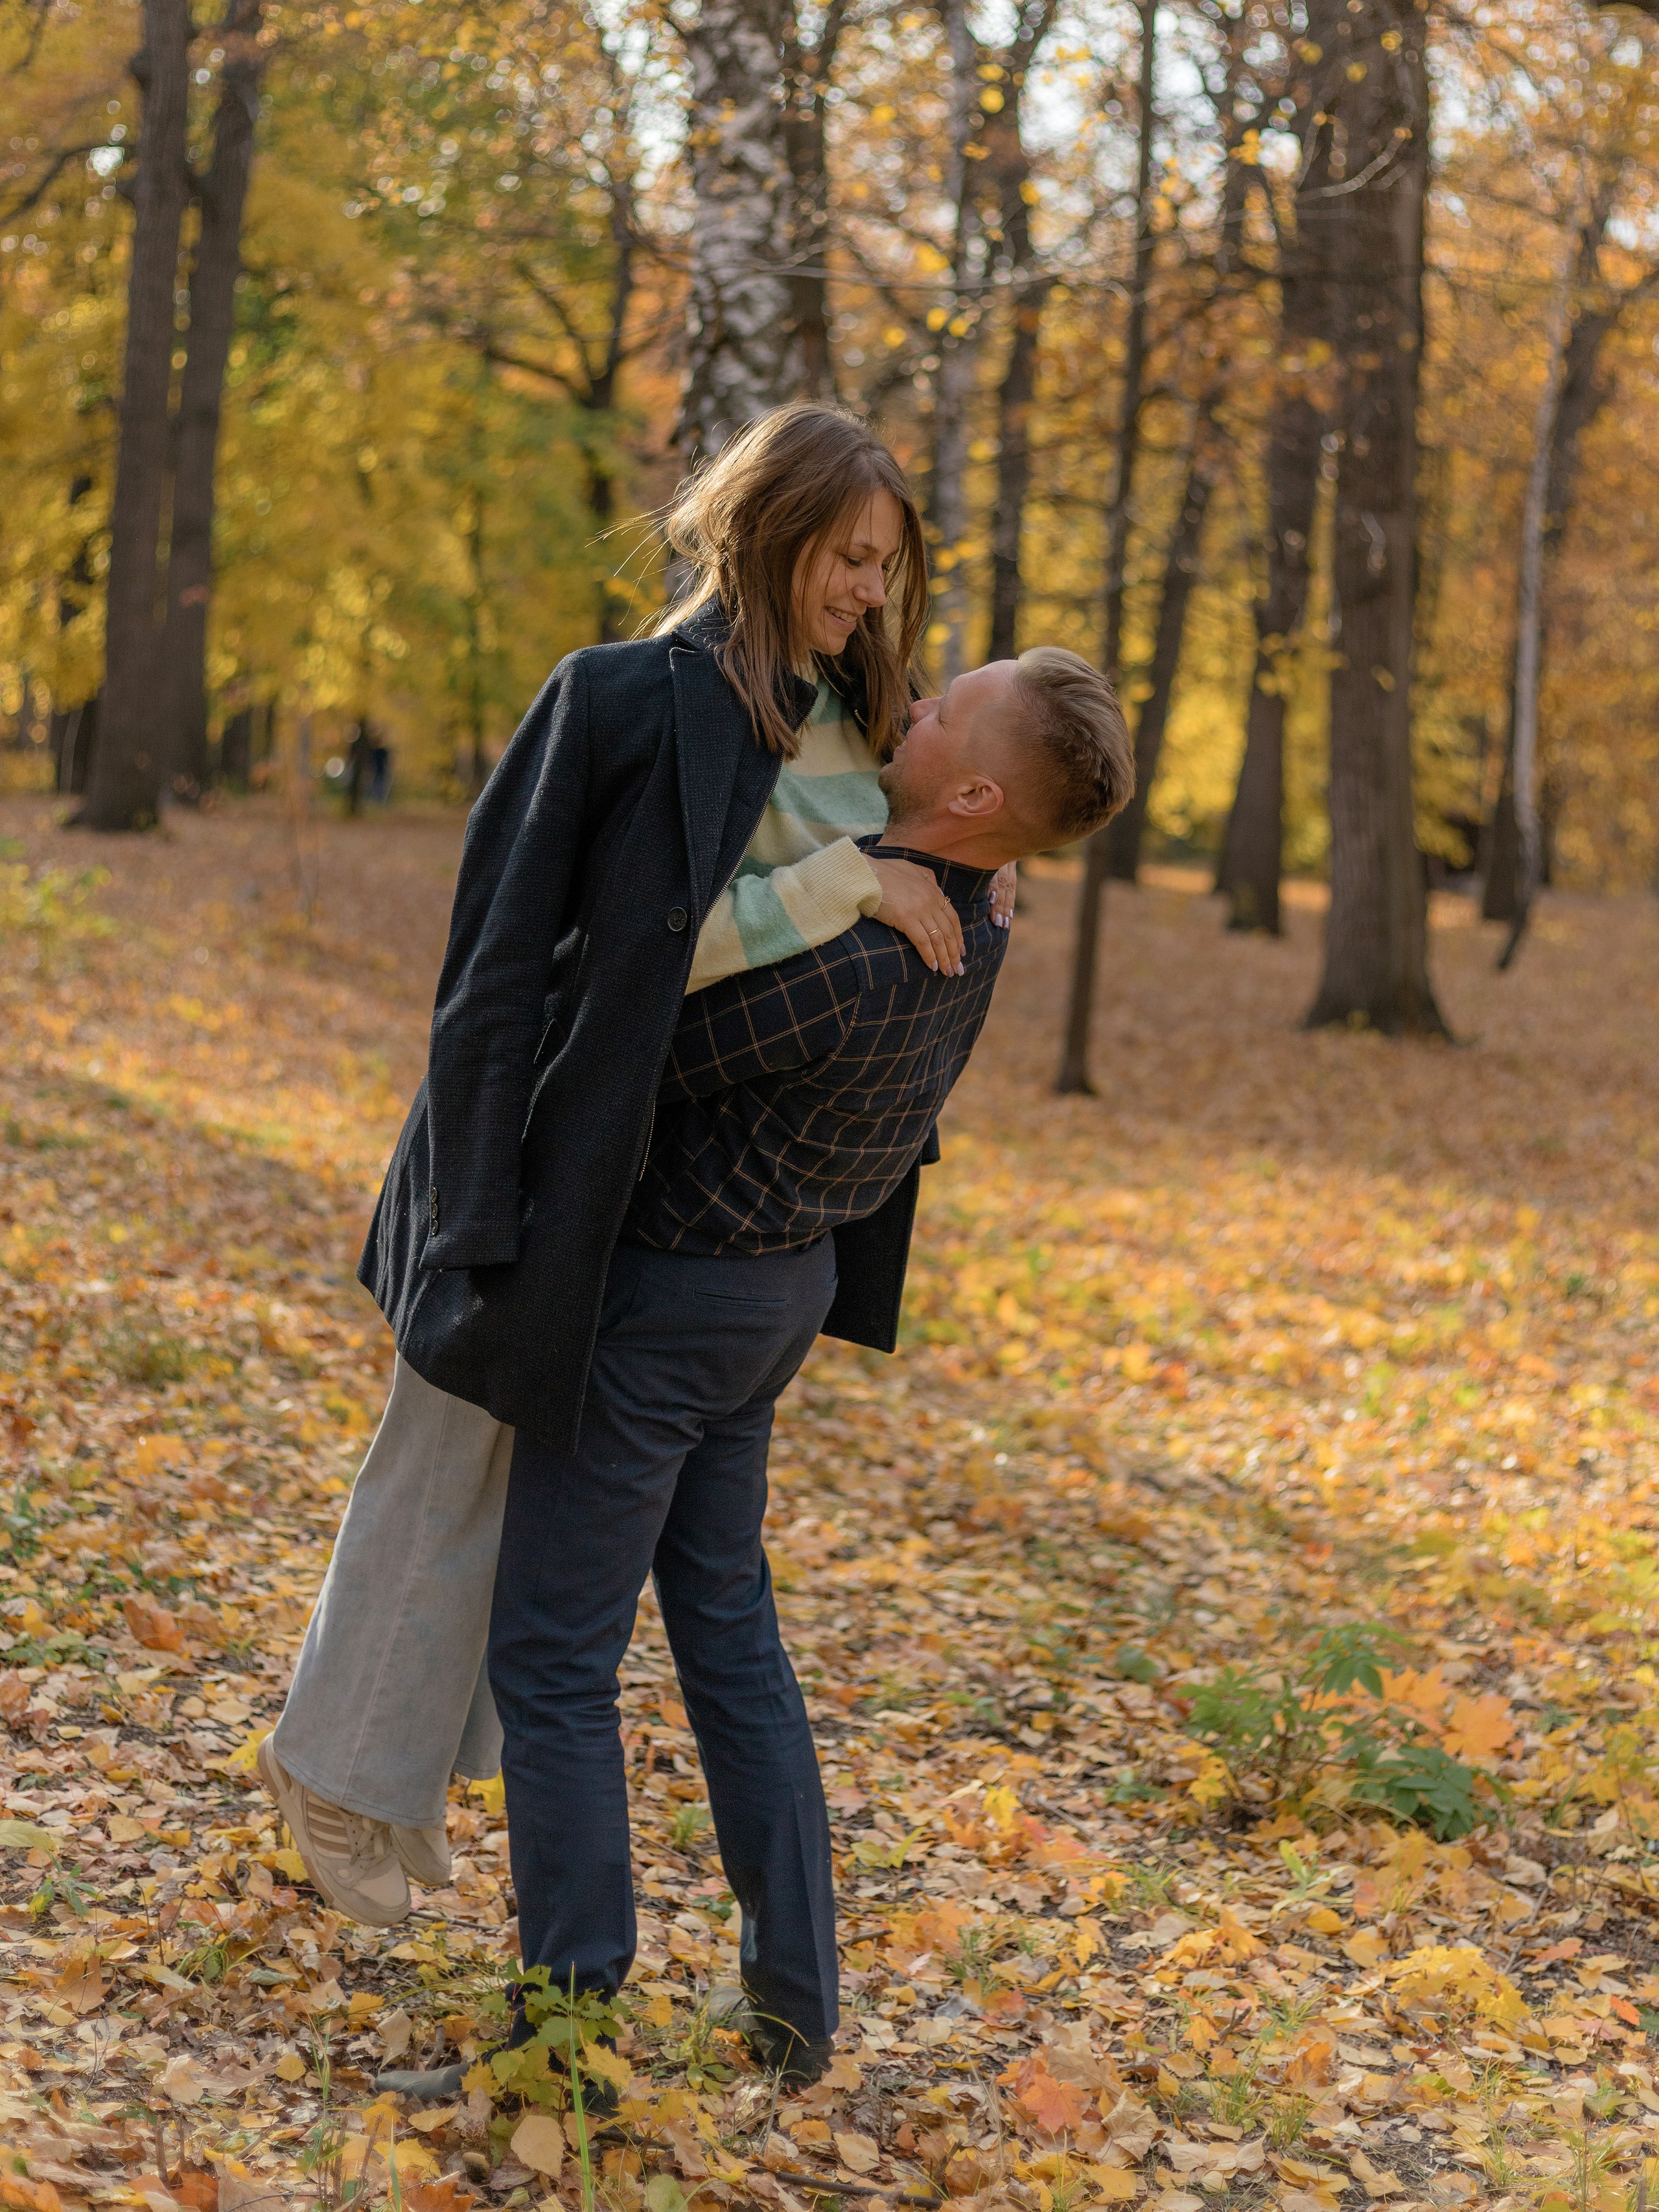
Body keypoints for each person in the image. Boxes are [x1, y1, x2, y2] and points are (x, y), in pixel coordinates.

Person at [259, 404, 1013, 1925]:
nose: (869, 590)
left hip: (680, 1212)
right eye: (844, 558)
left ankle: (393, 1793)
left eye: (887, 564)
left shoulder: (873, 729)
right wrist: (473, 1207)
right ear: (764, 531)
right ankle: (335, 1787)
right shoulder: (616, 702)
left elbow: (910, 927)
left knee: (528, 1526)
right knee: (438, 1482)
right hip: (540, 1161)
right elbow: (510, 975)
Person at [474, 646, 1133, 2089]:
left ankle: (566, 2033)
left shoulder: (851, 957)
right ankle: (793, 2009)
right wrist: (885, 852)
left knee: (553, 1657)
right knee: (726, 1637)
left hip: (672, 1311)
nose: (914, 697)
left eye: (946, 707)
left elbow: (629, 1027)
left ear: (968, 789)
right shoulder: (979, 908)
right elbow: (904, 768)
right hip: (776, 1300)